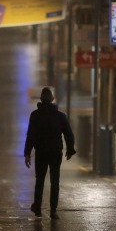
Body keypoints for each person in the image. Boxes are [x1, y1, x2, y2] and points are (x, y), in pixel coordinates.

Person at [23, 87, 76, 219]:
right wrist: (70, 150)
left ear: (41, 99)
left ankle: (38, 208)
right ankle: (53, 210)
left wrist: (27, 153)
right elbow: (69, 134)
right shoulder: (60, 116)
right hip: (55, 152)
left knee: (39, 180)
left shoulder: (35, 115)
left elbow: (30, 135)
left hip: (41, 152)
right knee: (55, 181)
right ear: (52, 99)